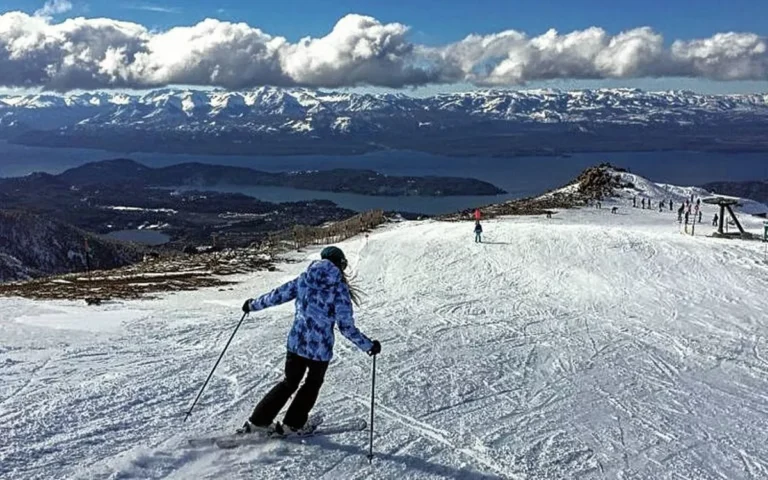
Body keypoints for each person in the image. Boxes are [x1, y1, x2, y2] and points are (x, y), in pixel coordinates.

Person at [239, 246, 380, 436]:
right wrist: (368, 346)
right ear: (340, 265)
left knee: (289, 383)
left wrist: (252, 305)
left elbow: (276, 296)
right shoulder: (339, 290)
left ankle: (257, 422)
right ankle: (292, 425)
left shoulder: (304, 279)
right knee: (312, 384)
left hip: (296, 344)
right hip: (319, 350)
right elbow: (346, 327)